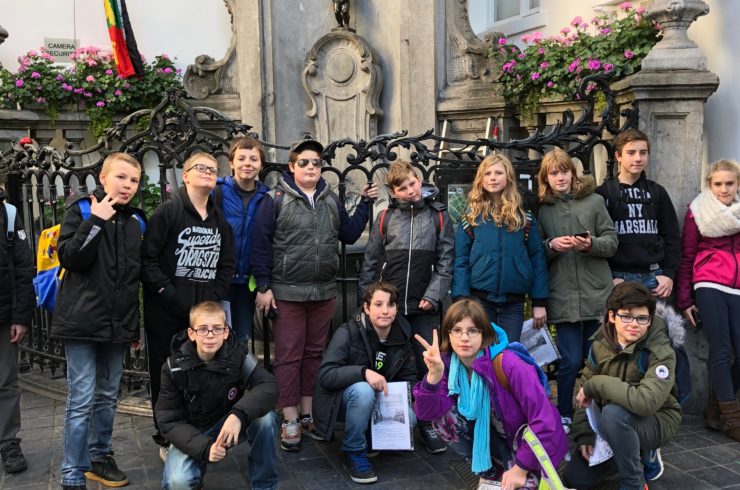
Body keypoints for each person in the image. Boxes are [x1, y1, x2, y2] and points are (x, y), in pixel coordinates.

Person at [250, 138, 378, 452]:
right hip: (287, 292)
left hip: (323, 292)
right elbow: (260, 244)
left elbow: (349, 234)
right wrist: (264, 286)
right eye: (304, 162)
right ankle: (290, 417)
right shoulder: (274, 199)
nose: (311, 167)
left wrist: (364, 204)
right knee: (288, 355)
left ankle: (307, 413)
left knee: (313, 354)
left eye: (316, 163)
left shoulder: (330, 198)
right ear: (292, 166)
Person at [52, 152, 145, 489]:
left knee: (107, 395)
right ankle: (72, 473)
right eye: (121, 177)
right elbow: (71, 258)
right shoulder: (81, 210)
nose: (127, 185)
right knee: (81, 399)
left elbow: (133, 279)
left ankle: (99, 457)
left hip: (117, 325)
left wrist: (133, 326)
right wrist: (96, 220)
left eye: (134, 180)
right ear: (103, 178)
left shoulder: (136, 222)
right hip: (81, 322)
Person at [413, 299, 568, 489]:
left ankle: (519, 471)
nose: (464, 337)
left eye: (472, 330)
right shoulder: (449, 366)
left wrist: (520, 469)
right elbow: (426, 413)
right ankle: (491, 472)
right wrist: (433, 377)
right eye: (457, 330)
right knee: (442, 418)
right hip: (498, 441)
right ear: (448, 334)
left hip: (532, 445)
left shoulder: (508, 364)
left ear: (484, 333)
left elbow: (545, 420)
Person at [359, 159, 454, 453]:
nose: (410, 191)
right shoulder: (385, 217)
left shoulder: (439, 216)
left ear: (419, 181)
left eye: (413, 184)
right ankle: (382, 426)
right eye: (402, 188)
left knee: (427, 365)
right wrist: (368, 302)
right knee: (386, 362)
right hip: (392, 306)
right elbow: (370, 261)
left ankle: (427, 422)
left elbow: (446, 260)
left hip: (425, 305)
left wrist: (433, 295)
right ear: (393, 192)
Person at [142, 152, 235, 450]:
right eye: (201, 168)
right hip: (166, 313)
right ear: (185, 175)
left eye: (213, 170)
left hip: (203, 315)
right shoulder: (168, 213)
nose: (208, 173)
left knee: (201, 370)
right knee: (166, 372)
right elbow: (148, 261)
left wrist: (213, 298)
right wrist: (170, 294)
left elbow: (227, 265)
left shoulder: (220, 221)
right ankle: (166, 436)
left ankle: (197, 430)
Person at [563, 282, 682, 490]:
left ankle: (634, 481)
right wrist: (585, 435)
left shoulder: (661, 349)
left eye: (642, 318)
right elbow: (584, 398)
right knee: (576, 478)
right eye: (626, 316)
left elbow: (646, 402)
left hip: (657, 417)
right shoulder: (599, 346)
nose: (634, 324)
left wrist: (596, 384)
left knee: (614, 414)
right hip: (612, 424)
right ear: (612, 316)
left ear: (650, 319)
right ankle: (628, 453)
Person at [155, 301, 279, 490]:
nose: (210, 335)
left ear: (226, 332)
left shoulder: (238, 355)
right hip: (192, 431)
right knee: (177, 481)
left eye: (217, 328)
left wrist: (238, 414)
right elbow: (168, 420)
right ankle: (195, 472)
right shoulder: (173, 368)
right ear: (191, 334)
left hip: (228, 423)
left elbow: (268, 385)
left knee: (265, 419)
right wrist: (205, 447)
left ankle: (265, 485)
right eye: (203, 329)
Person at [537, 148, 618, 435]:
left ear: (573, 174)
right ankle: (564, 413)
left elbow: (612, 242)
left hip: (596, 293)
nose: (560, 177)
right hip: (563, 295)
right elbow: (536, 252)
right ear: (546, 179)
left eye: (564, 172)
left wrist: (590, 244)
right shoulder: (543, 210)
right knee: (570, 360)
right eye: (553, 173)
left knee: (596, 357)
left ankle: (597, 412)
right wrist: (551, 246)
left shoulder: (594, 201)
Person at [313, 281, 417, 484]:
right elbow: (326, 375)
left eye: (391, 304)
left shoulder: (403, 336)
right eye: (378, 304)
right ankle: (353, 450)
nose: (385, 311)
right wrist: (363, 373)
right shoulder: (348, 331)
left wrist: (402, 397)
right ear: (367, 308)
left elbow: (410, 380)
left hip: (381, 401)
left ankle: (371, 438)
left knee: (410, 417)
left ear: (396, 309)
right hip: (341, 402)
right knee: (363, 391)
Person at [451, 153, 548, 342]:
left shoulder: (524, 217)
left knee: (509, 351)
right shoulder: (471, 217)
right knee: (483, 350)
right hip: (480, 300)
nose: (493, 178)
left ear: (508, 177)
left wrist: (539, 301)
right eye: (487, 174)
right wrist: (461, 299)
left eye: (498, 173)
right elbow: (461, 260)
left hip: (513, 302)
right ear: (481, 179)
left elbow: (537, 258)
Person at [676, 159, 740, 440]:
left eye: (730, 183)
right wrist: (685, 299)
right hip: (709, 282)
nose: (724, 189)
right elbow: (687, 255)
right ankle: (732, 419)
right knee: (722, 348)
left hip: (737, 287)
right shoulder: (698, 212)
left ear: (738, 185)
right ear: (710, 185)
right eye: (718, 184)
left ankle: (714, 408)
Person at [595, 129, 681, 298]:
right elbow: (596, 241)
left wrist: (669, 274)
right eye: (631, 153)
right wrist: (607, 277)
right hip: (618, 278)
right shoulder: (604, 193)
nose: (638, 158)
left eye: (643, 152)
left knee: (657, 317)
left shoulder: (657, 192)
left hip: (655, 278)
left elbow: (671, 235)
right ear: (618, 156)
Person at [215, 136, 269, 343]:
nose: (247, 164)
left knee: (241, 340)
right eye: (241, 158)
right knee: (215, 337)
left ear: (261, 165)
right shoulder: (217, 191)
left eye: (253, 159)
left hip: (247, 283)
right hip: (219, 280)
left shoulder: (267, 198)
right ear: (231, 163)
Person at [0, 190, 34, 476]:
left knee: (6, 382)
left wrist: (21, 317)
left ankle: (8, 442)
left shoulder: (8, 214)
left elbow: (24, 268)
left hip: (3, 315)